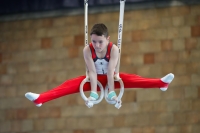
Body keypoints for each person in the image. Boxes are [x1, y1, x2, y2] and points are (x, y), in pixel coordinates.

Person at [25, 23, 174, 107]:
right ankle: (40, 99)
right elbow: (92, 72)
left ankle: (161, 83)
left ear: (108, 39)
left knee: (133, 79)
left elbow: (110, 72)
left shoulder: (114, 49)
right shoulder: (87, 50)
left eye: (100, 41)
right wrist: (93, 94)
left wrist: (112, 93)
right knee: (68, 85)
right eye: (93, 41)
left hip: (111, 78)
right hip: (92, 79)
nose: (96, 45)